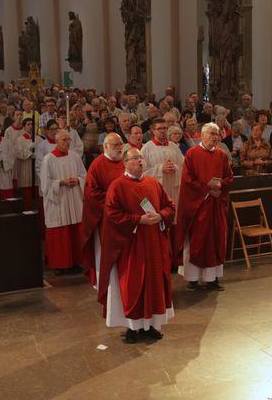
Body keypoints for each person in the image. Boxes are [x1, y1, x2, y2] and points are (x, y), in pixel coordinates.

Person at [98, 146, 176, 343]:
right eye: (134, 158)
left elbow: (170, 206)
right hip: (131, 246)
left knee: (153, 284)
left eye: (140, 158)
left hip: (153, 245)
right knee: (133, 285)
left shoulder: (153, 183)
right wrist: (137, 220)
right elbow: (112, 215)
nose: (139, 161)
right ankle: (133, 328)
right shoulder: (117, 186)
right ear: (125, 162)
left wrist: (160, 216)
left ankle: (150, 326)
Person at [176, 122, 233, 292]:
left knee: (214, 241)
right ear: (202, 134)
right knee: (196, 242)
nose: (215, 137)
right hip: (198, 207)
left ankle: (212, 279)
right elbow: (187, 180)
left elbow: (229, 177)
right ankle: (192, 279)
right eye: (212, 134)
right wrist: (207, 189)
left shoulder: (222, 155)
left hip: (215, 206)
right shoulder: (192, 154)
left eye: (217, 134)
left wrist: (220, 187)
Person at [81, 132, 125, 287]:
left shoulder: (126, 161)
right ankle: (105, 282)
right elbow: (92, 193)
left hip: (126, 217)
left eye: (121, 144)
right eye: (115, 145)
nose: (120, 148)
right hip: (106, 218)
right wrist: (115, 198)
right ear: (105, 147)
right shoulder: (97, 165)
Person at [40, 130, 87, 274]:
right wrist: (61, 182)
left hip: (73, 197)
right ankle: (59, 265)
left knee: (74, 231)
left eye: (68, 140)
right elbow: (45, 184)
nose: (67, 142)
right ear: (56, 141)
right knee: (60, 232)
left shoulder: (75, 156)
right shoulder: (48, 159)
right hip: (58, 200)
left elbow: (84, 175)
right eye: (63, 140)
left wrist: (78, 180)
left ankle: (75, 262)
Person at [142, 118, 184, 212]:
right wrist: (160, 169)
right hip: (156, 189)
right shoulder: (146, 148)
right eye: (159, 128)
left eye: (165, 128)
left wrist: (175, 168)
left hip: (173, 188)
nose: (163, 131)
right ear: (153, 130)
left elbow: (183, 166)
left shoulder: (174, 147)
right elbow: (142, 172)